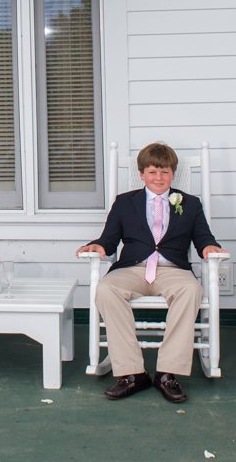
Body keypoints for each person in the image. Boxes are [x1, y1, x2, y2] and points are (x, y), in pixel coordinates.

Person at [77, 142, 225, 404]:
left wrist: (210, 247)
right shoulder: (125, 203)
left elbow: (203, 238)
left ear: (173, 174)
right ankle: (132, 373)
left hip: (172, 269)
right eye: (153, 172)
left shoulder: (189, 204)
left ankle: (168, 373)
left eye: (165, 172)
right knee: (106, 289)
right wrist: (98, 245)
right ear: (142, 174)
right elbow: (109, 240)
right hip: (133, 267)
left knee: (191, 290)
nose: (159, 178)